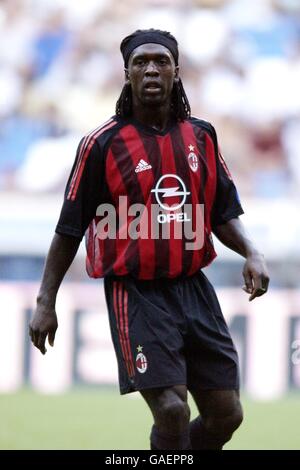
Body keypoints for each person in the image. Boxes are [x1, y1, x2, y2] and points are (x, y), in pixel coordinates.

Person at [29, 29, 269, 450]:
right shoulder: (101, 144)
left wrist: (252, 251)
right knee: (172, 411)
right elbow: (69, 228)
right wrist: (45, 301)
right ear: (127, 73)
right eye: (141, 62)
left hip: (194, 288)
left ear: (177, 72)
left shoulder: (201, 136)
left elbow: (221, 211)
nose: (152, 69)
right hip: (136, 292)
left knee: (226, 414)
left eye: (161, 61)